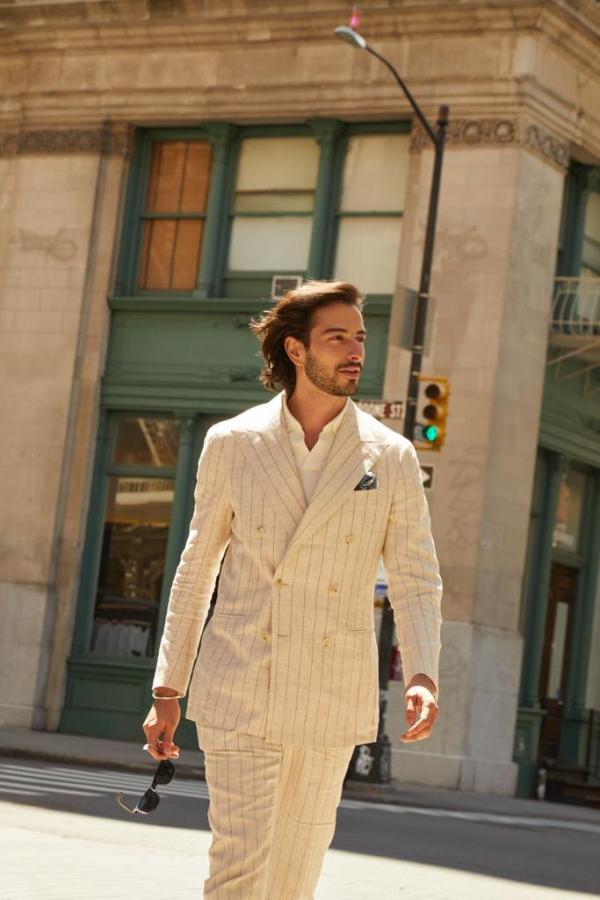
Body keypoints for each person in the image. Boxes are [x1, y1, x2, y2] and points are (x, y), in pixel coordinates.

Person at [143, 280, 443, 899]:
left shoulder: (390, 456)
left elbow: (415, 574)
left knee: (293, 880)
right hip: (242, 681)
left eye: (360, 338)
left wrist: (422, 672)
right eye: (337, 338)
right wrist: (168, 687)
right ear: (297, 350)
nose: (355, 351)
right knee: (239, 868)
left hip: (329, 696)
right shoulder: (234, 442)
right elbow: (198, 566)